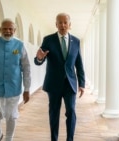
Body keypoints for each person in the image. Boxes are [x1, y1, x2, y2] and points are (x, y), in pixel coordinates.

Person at [34, 13, 85, 141]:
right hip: (54, 84)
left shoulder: (76, 41)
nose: (62, 25)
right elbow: (39, 59)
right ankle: (54, 139)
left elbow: (79, 64)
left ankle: (70, 139)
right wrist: (39, 58)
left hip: (70, 83)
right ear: (56, 24)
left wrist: (82, 84)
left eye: (65, 22)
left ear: (70, 25)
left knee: (71, 112)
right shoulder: (48, 40)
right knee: (54, 113)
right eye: (60, 22)